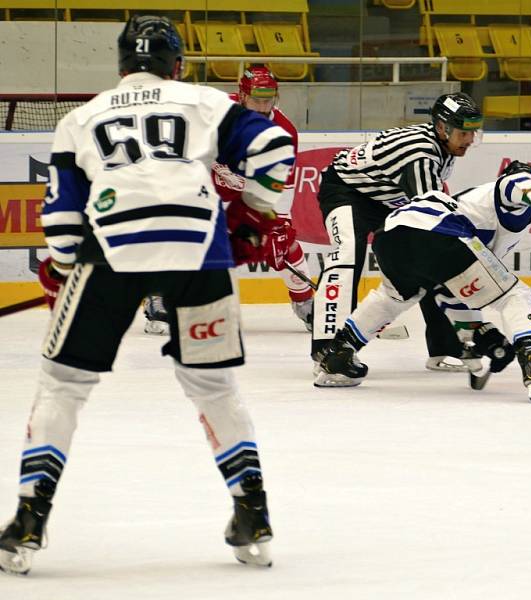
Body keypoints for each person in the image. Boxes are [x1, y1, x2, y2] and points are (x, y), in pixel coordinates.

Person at [0, 16, 294, 575]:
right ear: (176, 66)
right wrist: (255, 215)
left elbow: (63, 218)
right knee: (213, 387)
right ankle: (252, 514)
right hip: (198, 251)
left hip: (112, 250)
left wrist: (63, 269)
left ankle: (30, 519)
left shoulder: (81, 117)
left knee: (63, 384)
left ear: (120, 67)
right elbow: (275, 147)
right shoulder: (203, 101)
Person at [314, 161, 531, 402]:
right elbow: (517, 183)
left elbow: (449, 287)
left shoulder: (471, 212)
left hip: (392, 236)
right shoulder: (501, 193)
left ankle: (337, 354)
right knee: (516, 296)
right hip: (437, 234)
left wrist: (479, 333)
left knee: (394, 297)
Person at [311, 92, 484, 382]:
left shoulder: (443, 148)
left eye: (473, 132)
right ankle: (328, 350)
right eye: (464, 132)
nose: (469, 139)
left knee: (428, 256)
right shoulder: (420, 155)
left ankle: (446, 348)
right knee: (348, 254)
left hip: (386, 198)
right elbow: (433, 217)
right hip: (345, 190)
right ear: (442, 128)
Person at [144, 66, 314, 335]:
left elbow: (284, 183)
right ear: (242, 96)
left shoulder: (284, 133)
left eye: (268, 99)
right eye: (256, 99)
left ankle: (305, 302)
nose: (262, 105)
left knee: (283, 242)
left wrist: (280, 222)